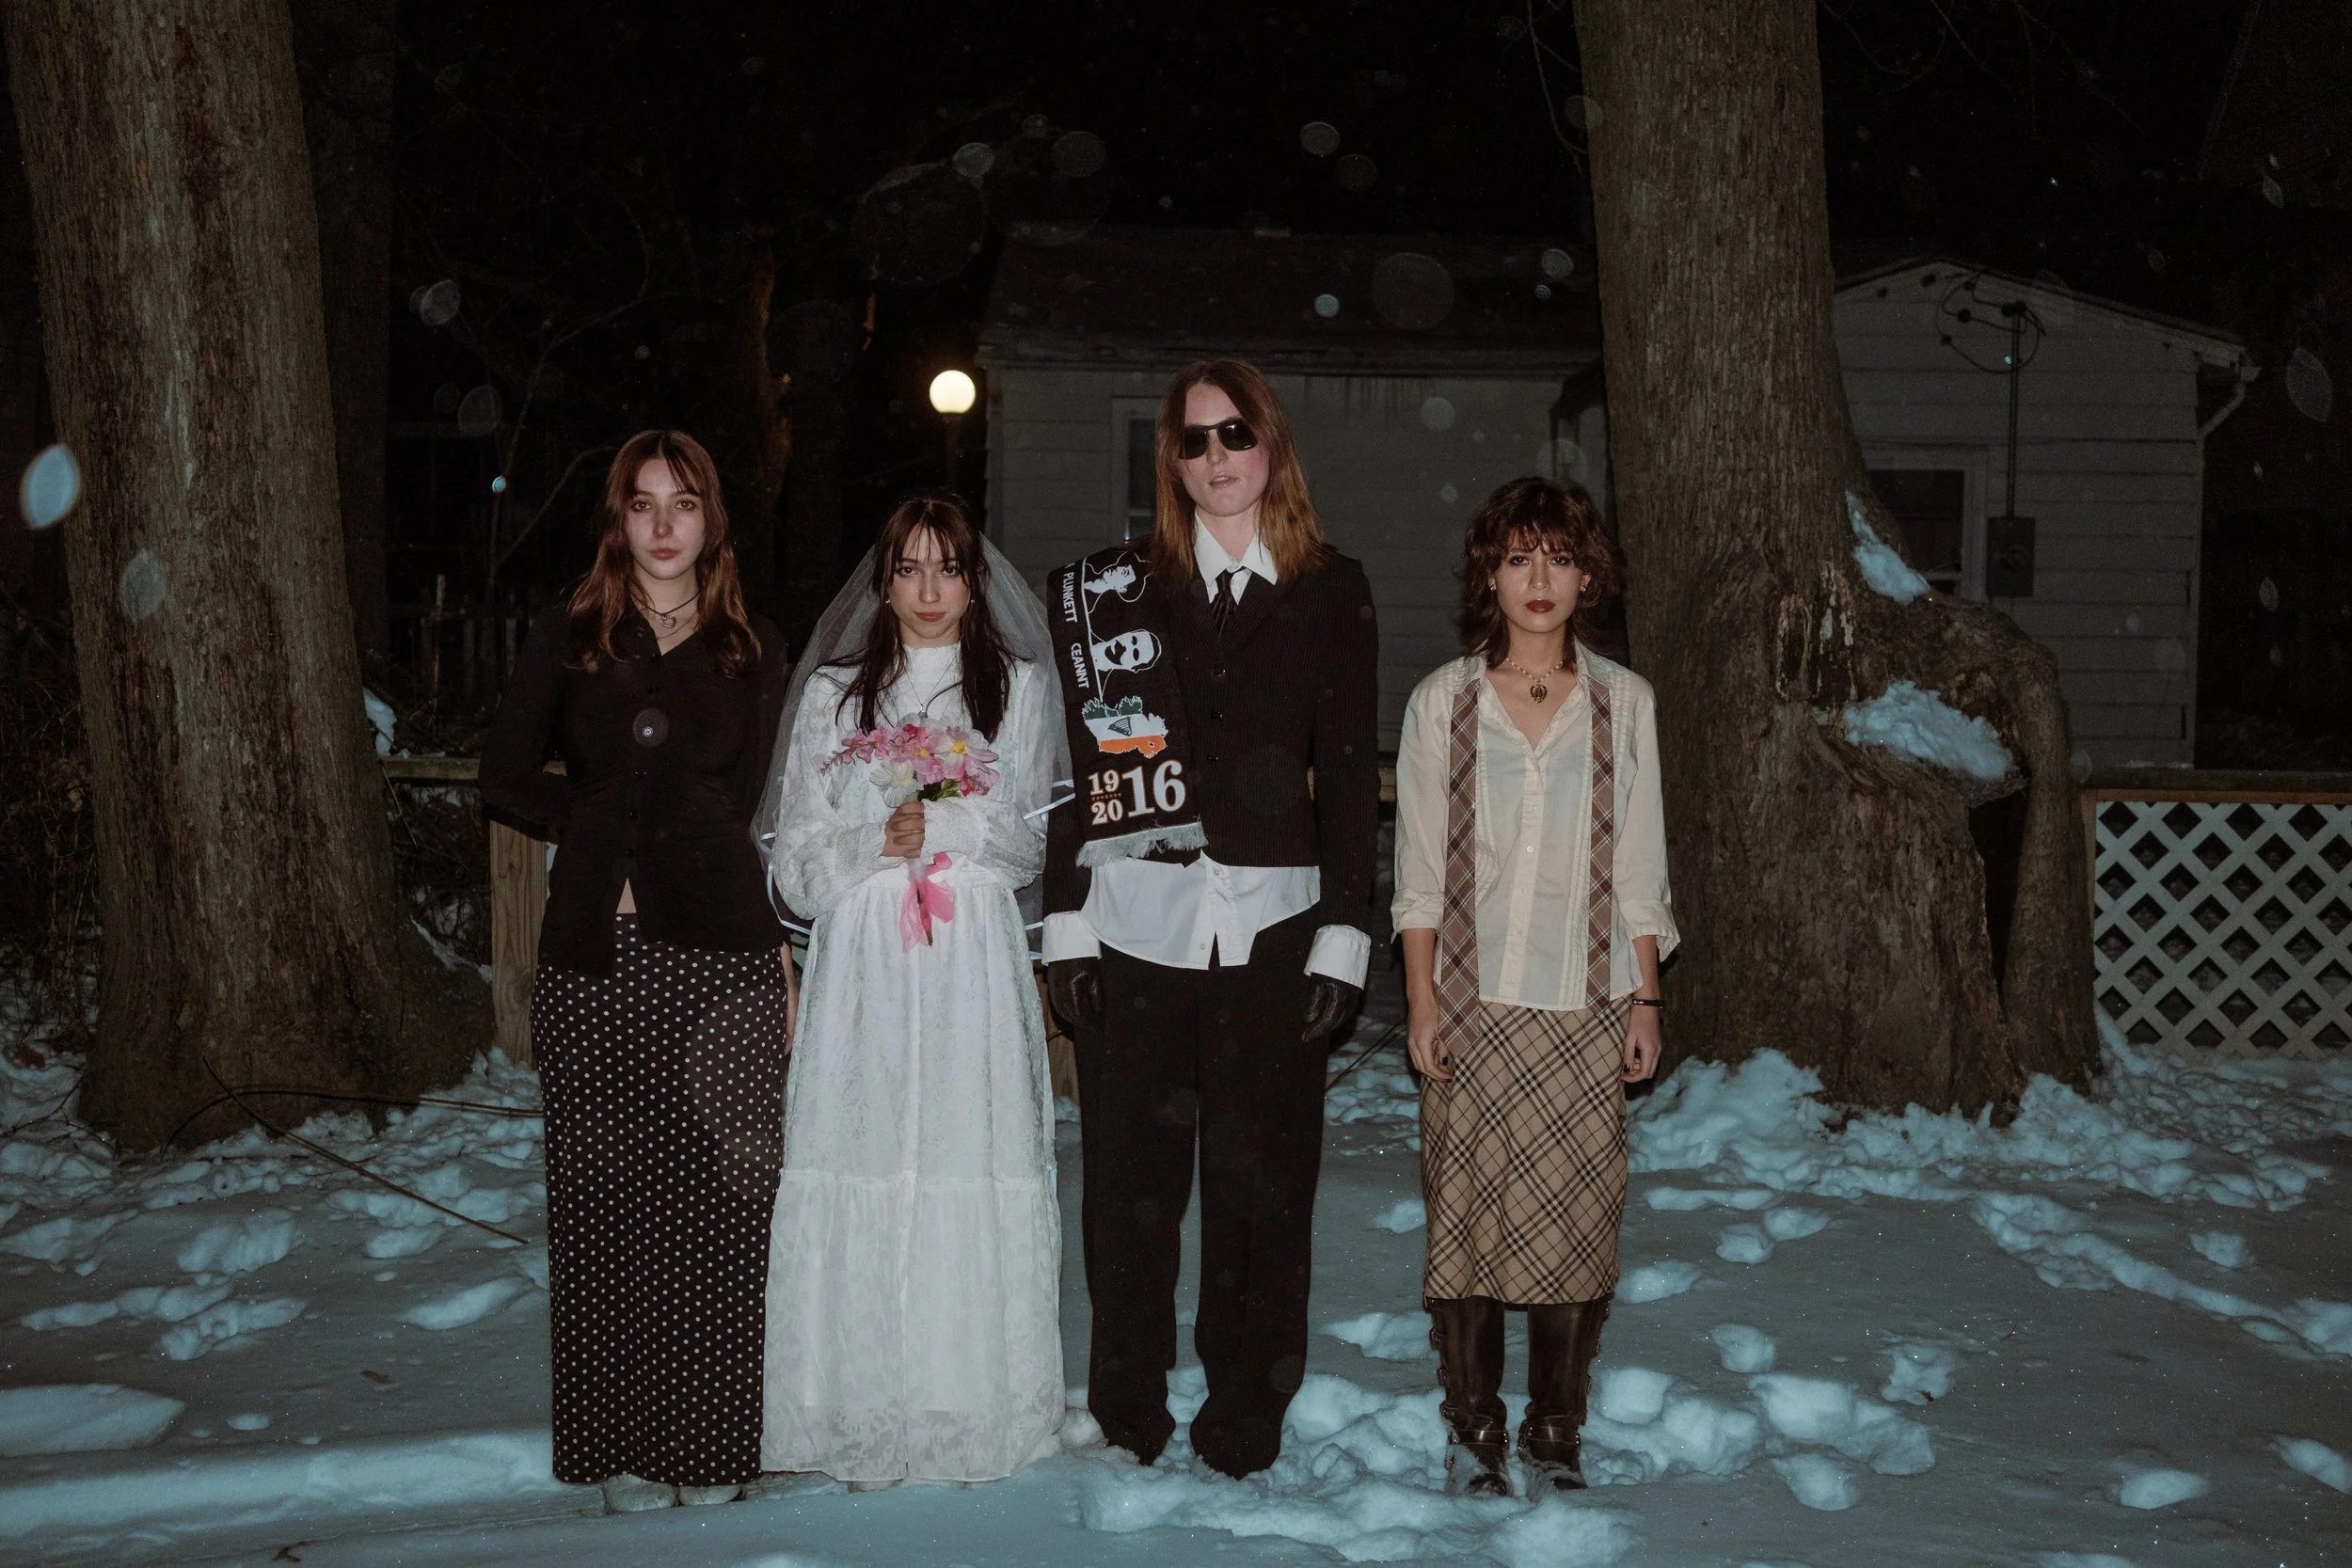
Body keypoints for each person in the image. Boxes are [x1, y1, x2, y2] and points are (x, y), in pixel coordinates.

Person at [1041, 358, 1380, 1480]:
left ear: (1269, 441)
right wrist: (1066, 919)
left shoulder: (1332, 588)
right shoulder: (1118, 593)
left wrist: (1345, 930)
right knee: (1129, 1195)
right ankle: (1127, 1409)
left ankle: (1245, 1409)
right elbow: (1085, 763)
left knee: (1261, 1189)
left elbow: (1348, 773)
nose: (1216, 456)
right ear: (1171, 462)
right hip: (1136, 923)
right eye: (1193, 440)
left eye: (1234, 432)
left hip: (1272, 930)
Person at [480, 430, 795, 1513]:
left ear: (712, 520)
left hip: (724, 960)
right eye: (644, 503)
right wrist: (596, 817)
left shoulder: (754, 648)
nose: (664, 524)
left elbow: (767, 806)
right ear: (617, 519)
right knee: (603, 1205)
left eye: (685, 502)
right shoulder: (569, 636)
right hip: (597, 959)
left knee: (719, 1210)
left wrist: (781, 949)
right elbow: (503, 775)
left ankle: (706, 1442)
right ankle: (616, 1444)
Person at [755, 494, 1067, 1487]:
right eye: (909, 568)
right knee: (862, 1151)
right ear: (883, 582)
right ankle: (851, 1399)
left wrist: (949, 825)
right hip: (865, 961)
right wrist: (871, 840)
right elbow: (795, 861)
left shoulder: (1019, 688)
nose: (929, 589)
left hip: (968, 955)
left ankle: (961, 1401)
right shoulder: (833, 695)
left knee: (963, 1152)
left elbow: (1030, 843)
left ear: (975, 581)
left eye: (948, 568)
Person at [1391, 476, 1677, 1497]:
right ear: (1491, 576)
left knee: (1575, 1221)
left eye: (1559, 557)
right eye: (1519, 558)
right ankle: (1473, 1430)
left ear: (1588, 575)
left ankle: (1555, 1432)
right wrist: (1421, 1000)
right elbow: (1419, 869)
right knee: (1467, 1220)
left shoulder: (1625, 702)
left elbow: (1640, 866)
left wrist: (1646, 999)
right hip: (1472, 1006)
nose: (1539, 578)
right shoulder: (1443, 701)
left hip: (1585, 1002)